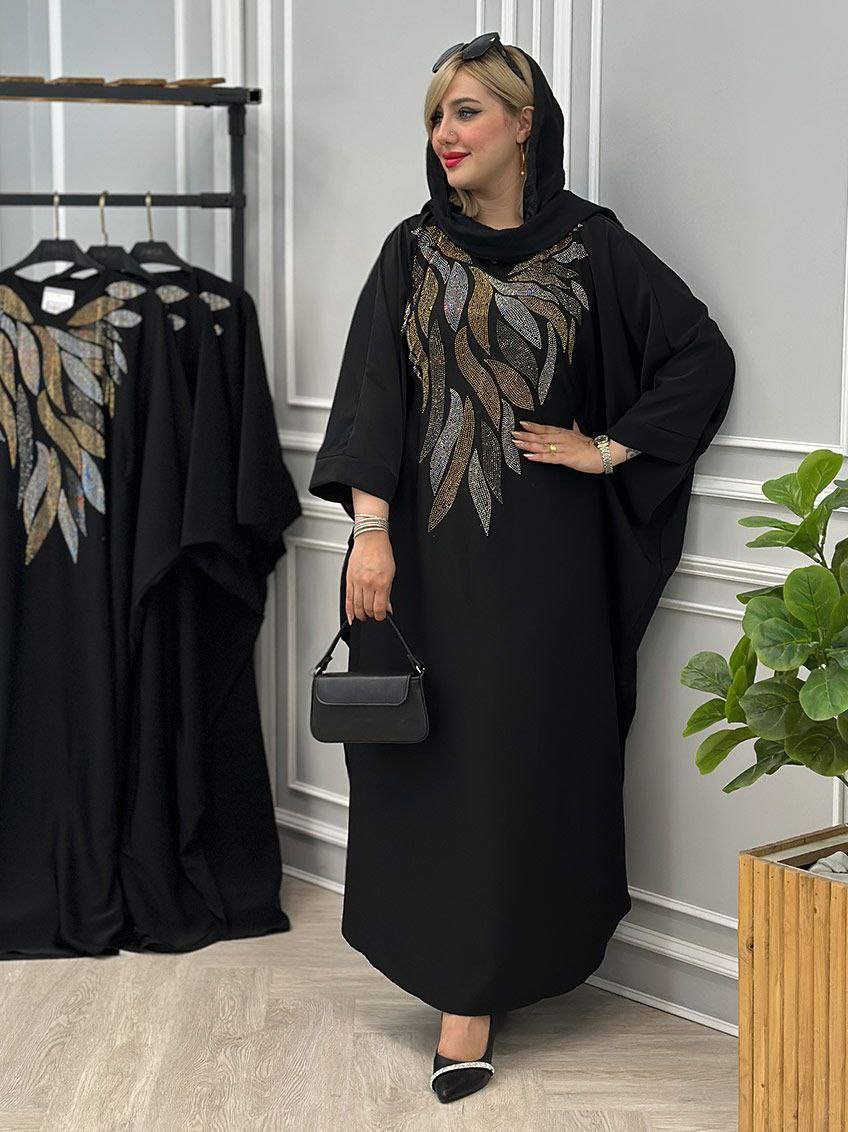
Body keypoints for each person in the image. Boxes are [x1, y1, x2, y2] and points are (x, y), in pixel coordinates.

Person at [308, 32, 735, 1105]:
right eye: (435, 116)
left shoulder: (592, 247)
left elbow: (698, 355)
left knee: (524, 764)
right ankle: (455, 985)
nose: (443, 134)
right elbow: (372, 397)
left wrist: (611, 448)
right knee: (432, 761)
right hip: (427, 562)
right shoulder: (412, 252)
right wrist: (369, 531)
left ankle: (495, 980)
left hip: (548, 567)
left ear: (522, 121)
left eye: (464, 112)